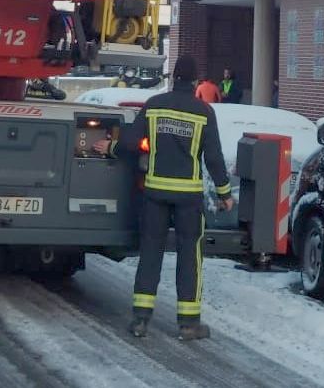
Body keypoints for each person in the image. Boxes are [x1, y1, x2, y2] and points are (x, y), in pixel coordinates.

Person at [93, 54, 233, 341]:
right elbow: (215, 158)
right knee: (189, 258)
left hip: (155, 194)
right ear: (195, 81)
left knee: (150, 254)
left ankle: (141, 320)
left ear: (173, 78)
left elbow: (132, 143)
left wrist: (110, 147)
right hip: (188, 199)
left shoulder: (154, 105)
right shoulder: (204, 112)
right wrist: (224, 194)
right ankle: (188, 324)